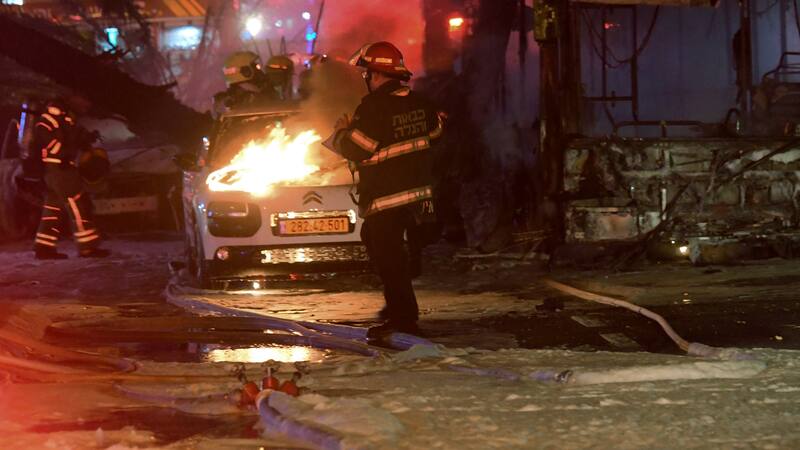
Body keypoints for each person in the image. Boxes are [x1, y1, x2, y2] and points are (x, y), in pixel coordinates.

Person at [330, 42, 444, 339]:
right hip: (420, 196)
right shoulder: (422, 103)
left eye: (367, 74)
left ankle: (402, 320)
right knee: (387, 250)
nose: (366, 79)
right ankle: (399, 305)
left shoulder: (373, 108)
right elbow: (436, 133)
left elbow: (357, 148)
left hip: (387, 198)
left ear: (376, 74)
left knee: (389, 259)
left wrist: (341, 132)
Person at [29, 97, 109, 259]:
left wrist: (87, 138)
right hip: (61, 170)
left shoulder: (63, 118)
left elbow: (74, 135)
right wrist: (65, 153)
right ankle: (87, 247)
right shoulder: (49, 120)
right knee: (78, 205)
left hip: (54, 171)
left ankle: (43, 248)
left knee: (52, 210)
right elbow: (50, 141)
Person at [212, 51, 279, 115]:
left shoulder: (230, 97)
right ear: (246, 72)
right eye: (255, 66)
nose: (259, 70)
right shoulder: (252, 98)